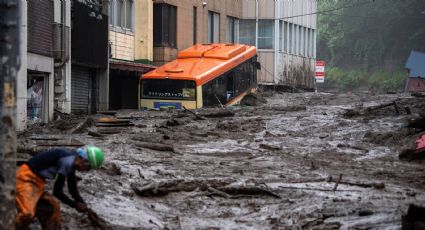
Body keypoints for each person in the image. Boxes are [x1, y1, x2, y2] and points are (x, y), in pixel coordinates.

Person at [15, 146, 105, 230]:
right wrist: (74, 204)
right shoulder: (67, 162)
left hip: (37, 182)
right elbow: (57, 192)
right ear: (84, 160)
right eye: (88, 168)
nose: (85, 171)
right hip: (25, 178)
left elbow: (72, 188)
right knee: (27, 213)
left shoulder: (71, 160)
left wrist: (82, 203)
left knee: (52, 207)